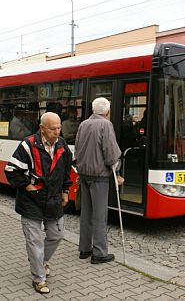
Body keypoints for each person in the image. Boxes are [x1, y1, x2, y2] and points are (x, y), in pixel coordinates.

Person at [4, 112, 72, 294]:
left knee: (57, 234)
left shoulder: (62, 144)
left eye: (59, 128)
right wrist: (26, 186)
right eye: (53, 129)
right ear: (42, 129)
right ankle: (39, 279)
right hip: (31, 202)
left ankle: (40, 261)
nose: (57, 132)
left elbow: (66, 170)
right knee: (34, 241)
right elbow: (10, 169)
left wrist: (66, 191)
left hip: (53, 201)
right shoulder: (28, 145)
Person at [74, 97, 124, 264]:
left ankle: (84, 248)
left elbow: (77, 149)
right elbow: (110, 152)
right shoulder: (105, 125)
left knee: (86, 213)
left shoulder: (83, 124)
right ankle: (100, 253)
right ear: (107, 112)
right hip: (99, 176)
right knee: (99, 215)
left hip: (84, 174)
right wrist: (116, 170)